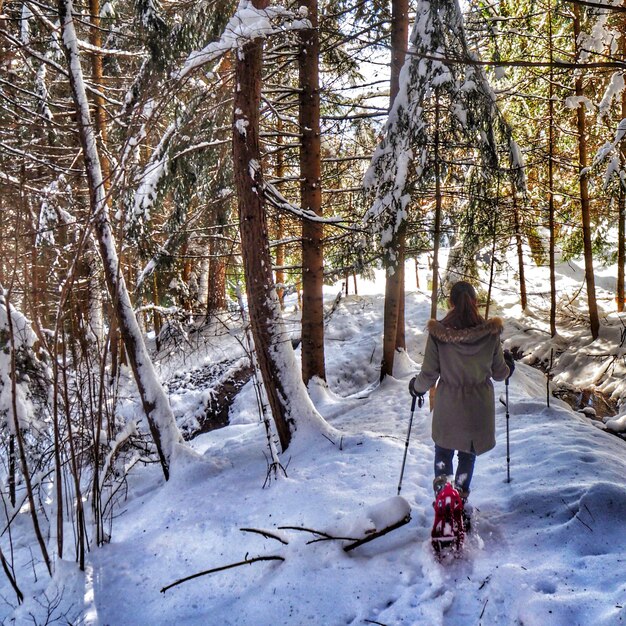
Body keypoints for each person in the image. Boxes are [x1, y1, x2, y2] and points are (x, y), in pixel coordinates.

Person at [408, 281, 514, 512]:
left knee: (444, 449)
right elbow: (499, 374)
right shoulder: (490, 333)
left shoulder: (439, 333)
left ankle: (443, 496)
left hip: (449, 405)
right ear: (475, 302)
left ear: (451, 303)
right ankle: (460, 500)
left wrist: (416, 388)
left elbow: (429, 373)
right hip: (478, 408)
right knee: (468, 453)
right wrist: (509, 367)